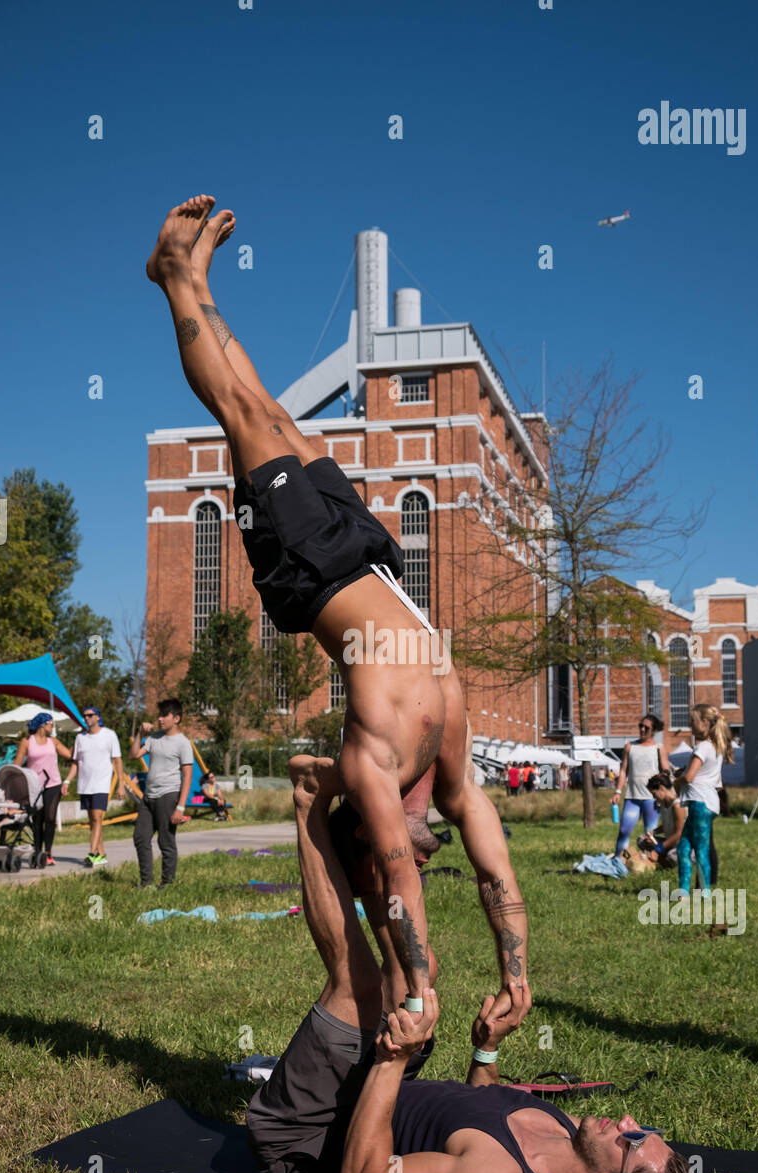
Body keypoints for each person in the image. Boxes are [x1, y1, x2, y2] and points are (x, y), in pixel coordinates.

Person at [147, 195, 527, 1026]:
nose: (426, 860)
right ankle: (197, 282)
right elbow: (492, 856)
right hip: (368, 561)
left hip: (312, 573)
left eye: (409, 855)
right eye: (431, 858)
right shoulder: (448, 759)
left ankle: (176, 282)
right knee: (278, 413)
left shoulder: (376, 766)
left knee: (244, 416)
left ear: (368, 829)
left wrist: (418, 988)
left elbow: (392, 880)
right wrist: (515, 972)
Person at [246, 755, 718, 1173]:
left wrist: (393, 1057)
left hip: (311, 1134)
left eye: (633, 1141)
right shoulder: (563, 1132)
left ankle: (308, 800)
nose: (629, 1119)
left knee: (359, 987)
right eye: (645, 1129)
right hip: (374, 1088)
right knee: (420, 968)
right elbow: (481, 1109)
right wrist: (486, 1047)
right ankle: (363, 855)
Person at [129, 699, 194, 888]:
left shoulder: (183, 743)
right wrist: (140, 734)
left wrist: (180, 807)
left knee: (166, 841)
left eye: (165, 715)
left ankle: (167, 884)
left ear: (176, 719)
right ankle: (146, 883)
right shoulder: (154, 738)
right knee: (140, 837)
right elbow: (133, 755)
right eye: (159, 715)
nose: (160, 719)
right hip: (149, 796)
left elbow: (187, 776)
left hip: (168, 795)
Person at [674, 704, 733, 898]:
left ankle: (704, 894)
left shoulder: (703, 747)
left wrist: (676, 781)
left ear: (705, 723)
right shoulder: (715, 746)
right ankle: (683, 892)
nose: (690, 725)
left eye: (693, 721)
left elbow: (690, 777)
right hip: (705, 802)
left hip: (700, 802)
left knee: (700, 849)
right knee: (683, 847)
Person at [61, 707, 124, 867]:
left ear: (97, 717)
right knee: (93, 821)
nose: (86, 718)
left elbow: (117, 761)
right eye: (84, 716)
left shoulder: (109, 735)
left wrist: (121, 785)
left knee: (97, 818)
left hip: (101, 784)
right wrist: (67, 781)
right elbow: (76, 763)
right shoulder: (80, 738)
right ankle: (101, 854)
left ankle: (91, 853)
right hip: (84, 785)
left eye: (90, 715)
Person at [14, 713, 72, 867]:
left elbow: (70, 755)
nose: (53, 727)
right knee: (37, 820)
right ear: (42, 725)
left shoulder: (53, 742)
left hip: (53, 784)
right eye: (51, 724)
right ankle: (38, 851)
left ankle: (48, 852)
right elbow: (17, 765)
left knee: (50, 817)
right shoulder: (27, 742)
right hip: (34, 786)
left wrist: (79, 742)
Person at [612, 713, 668, 854]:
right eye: (640, 726)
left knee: (650, 835)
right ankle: (618, 860)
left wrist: (663, 795)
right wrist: (618, 792)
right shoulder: (630, 747)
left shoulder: (659, 748)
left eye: (646, 728)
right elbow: (624, 771)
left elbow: (666, 772)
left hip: (652, 800)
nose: (642, 729)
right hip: (632, 797)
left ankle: (650, 863)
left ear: (654, 731)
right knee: (624, 830)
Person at [643, 771, 687, 869]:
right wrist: (654, 833)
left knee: (671, 856)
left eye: (654, 794)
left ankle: (668, 867)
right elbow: (668, 824)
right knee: (642, 840)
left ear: (662, 788)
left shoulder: (677, 805)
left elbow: (679, 833)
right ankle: (665, 869)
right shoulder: (663, 804)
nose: (654, 797)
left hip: (684, 845)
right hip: (671, 843)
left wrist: (658, 849)